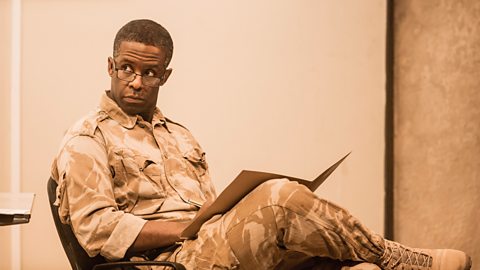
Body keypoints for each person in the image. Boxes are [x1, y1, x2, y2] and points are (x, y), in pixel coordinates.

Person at [51, 19, 471, 270]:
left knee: (338, 258)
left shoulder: (179, 135)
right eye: (126, 68)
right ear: (110, 66)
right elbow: (96, 230)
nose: (137, 81)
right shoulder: (87, 138)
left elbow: (209, 206)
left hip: (207, 248)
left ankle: (371, 261)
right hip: (165, 262)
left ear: (166, 76)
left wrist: (217, 218)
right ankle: (400, 258)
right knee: (278, 197)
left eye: (150, 73)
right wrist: (183, 229)